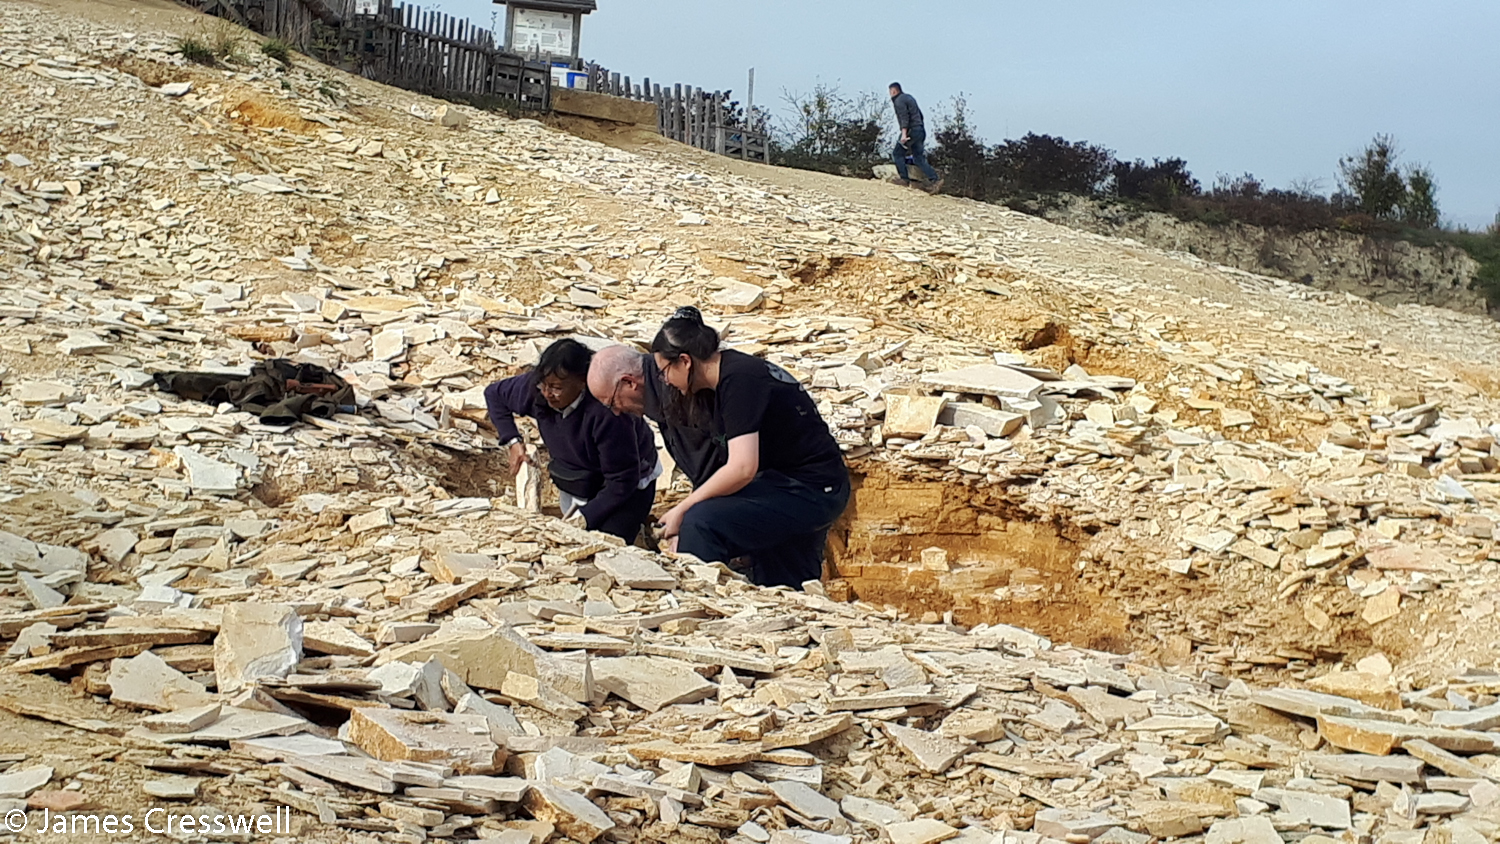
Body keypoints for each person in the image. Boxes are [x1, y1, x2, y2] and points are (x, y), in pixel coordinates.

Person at [648, 307, 850, 589]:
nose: (665, 381)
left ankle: (703, 603)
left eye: (664, 372)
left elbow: (742, 468)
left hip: (811, 488)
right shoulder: (721, 382)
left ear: (685, 361)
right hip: (781, 482)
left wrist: (682, 510)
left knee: (700, 523)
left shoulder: (740, 380)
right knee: (782, 582)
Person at [485, 338, 660, 544]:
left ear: (582, 381)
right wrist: (513, 441)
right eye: (544, 385)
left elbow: (622, 481)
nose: (548, 394)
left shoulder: (608, 413)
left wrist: (585, 517)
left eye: (557, 387)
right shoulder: (539, 388)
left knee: (608, 543)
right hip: (577, 478)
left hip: (628, 484)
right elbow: (494, 395)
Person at [588, 343, 726, 489]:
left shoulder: (680, 389)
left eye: (612, 403)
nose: (616, 412)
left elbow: (724, 462)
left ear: (629, 382)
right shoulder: (652, 392)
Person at [889, 82, 943, 194]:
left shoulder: (899, 101)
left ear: (893, 91)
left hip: (911, 131)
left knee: (897, 154)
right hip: (920, 130)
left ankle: (904, 179)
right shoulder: (910, 98)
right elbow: (920, 115)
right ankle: (935, 180)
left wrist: (904, 134)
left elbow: (904, 117)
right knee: (918, 158)